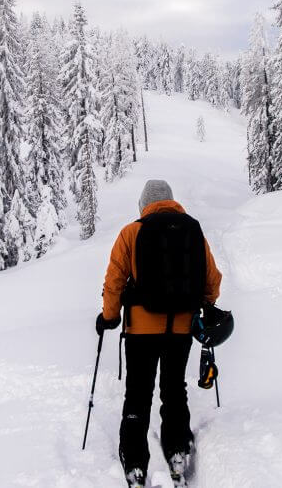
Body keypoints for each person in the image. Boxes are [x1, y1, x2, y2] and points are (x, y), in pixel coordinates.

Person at [96, 179, 222, 486]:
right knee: (174, 390)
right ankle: (177, 450)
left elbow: (114, 281)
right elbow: (213, 281)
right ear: (171, 201)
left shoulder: (131, 232)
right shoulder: (193, 231)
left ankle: (135, 463)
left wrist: (109, 317)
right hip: (180, 329)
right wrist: (200, 306)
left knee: (138, 394)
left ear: (144, 204)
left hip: (140, 329)